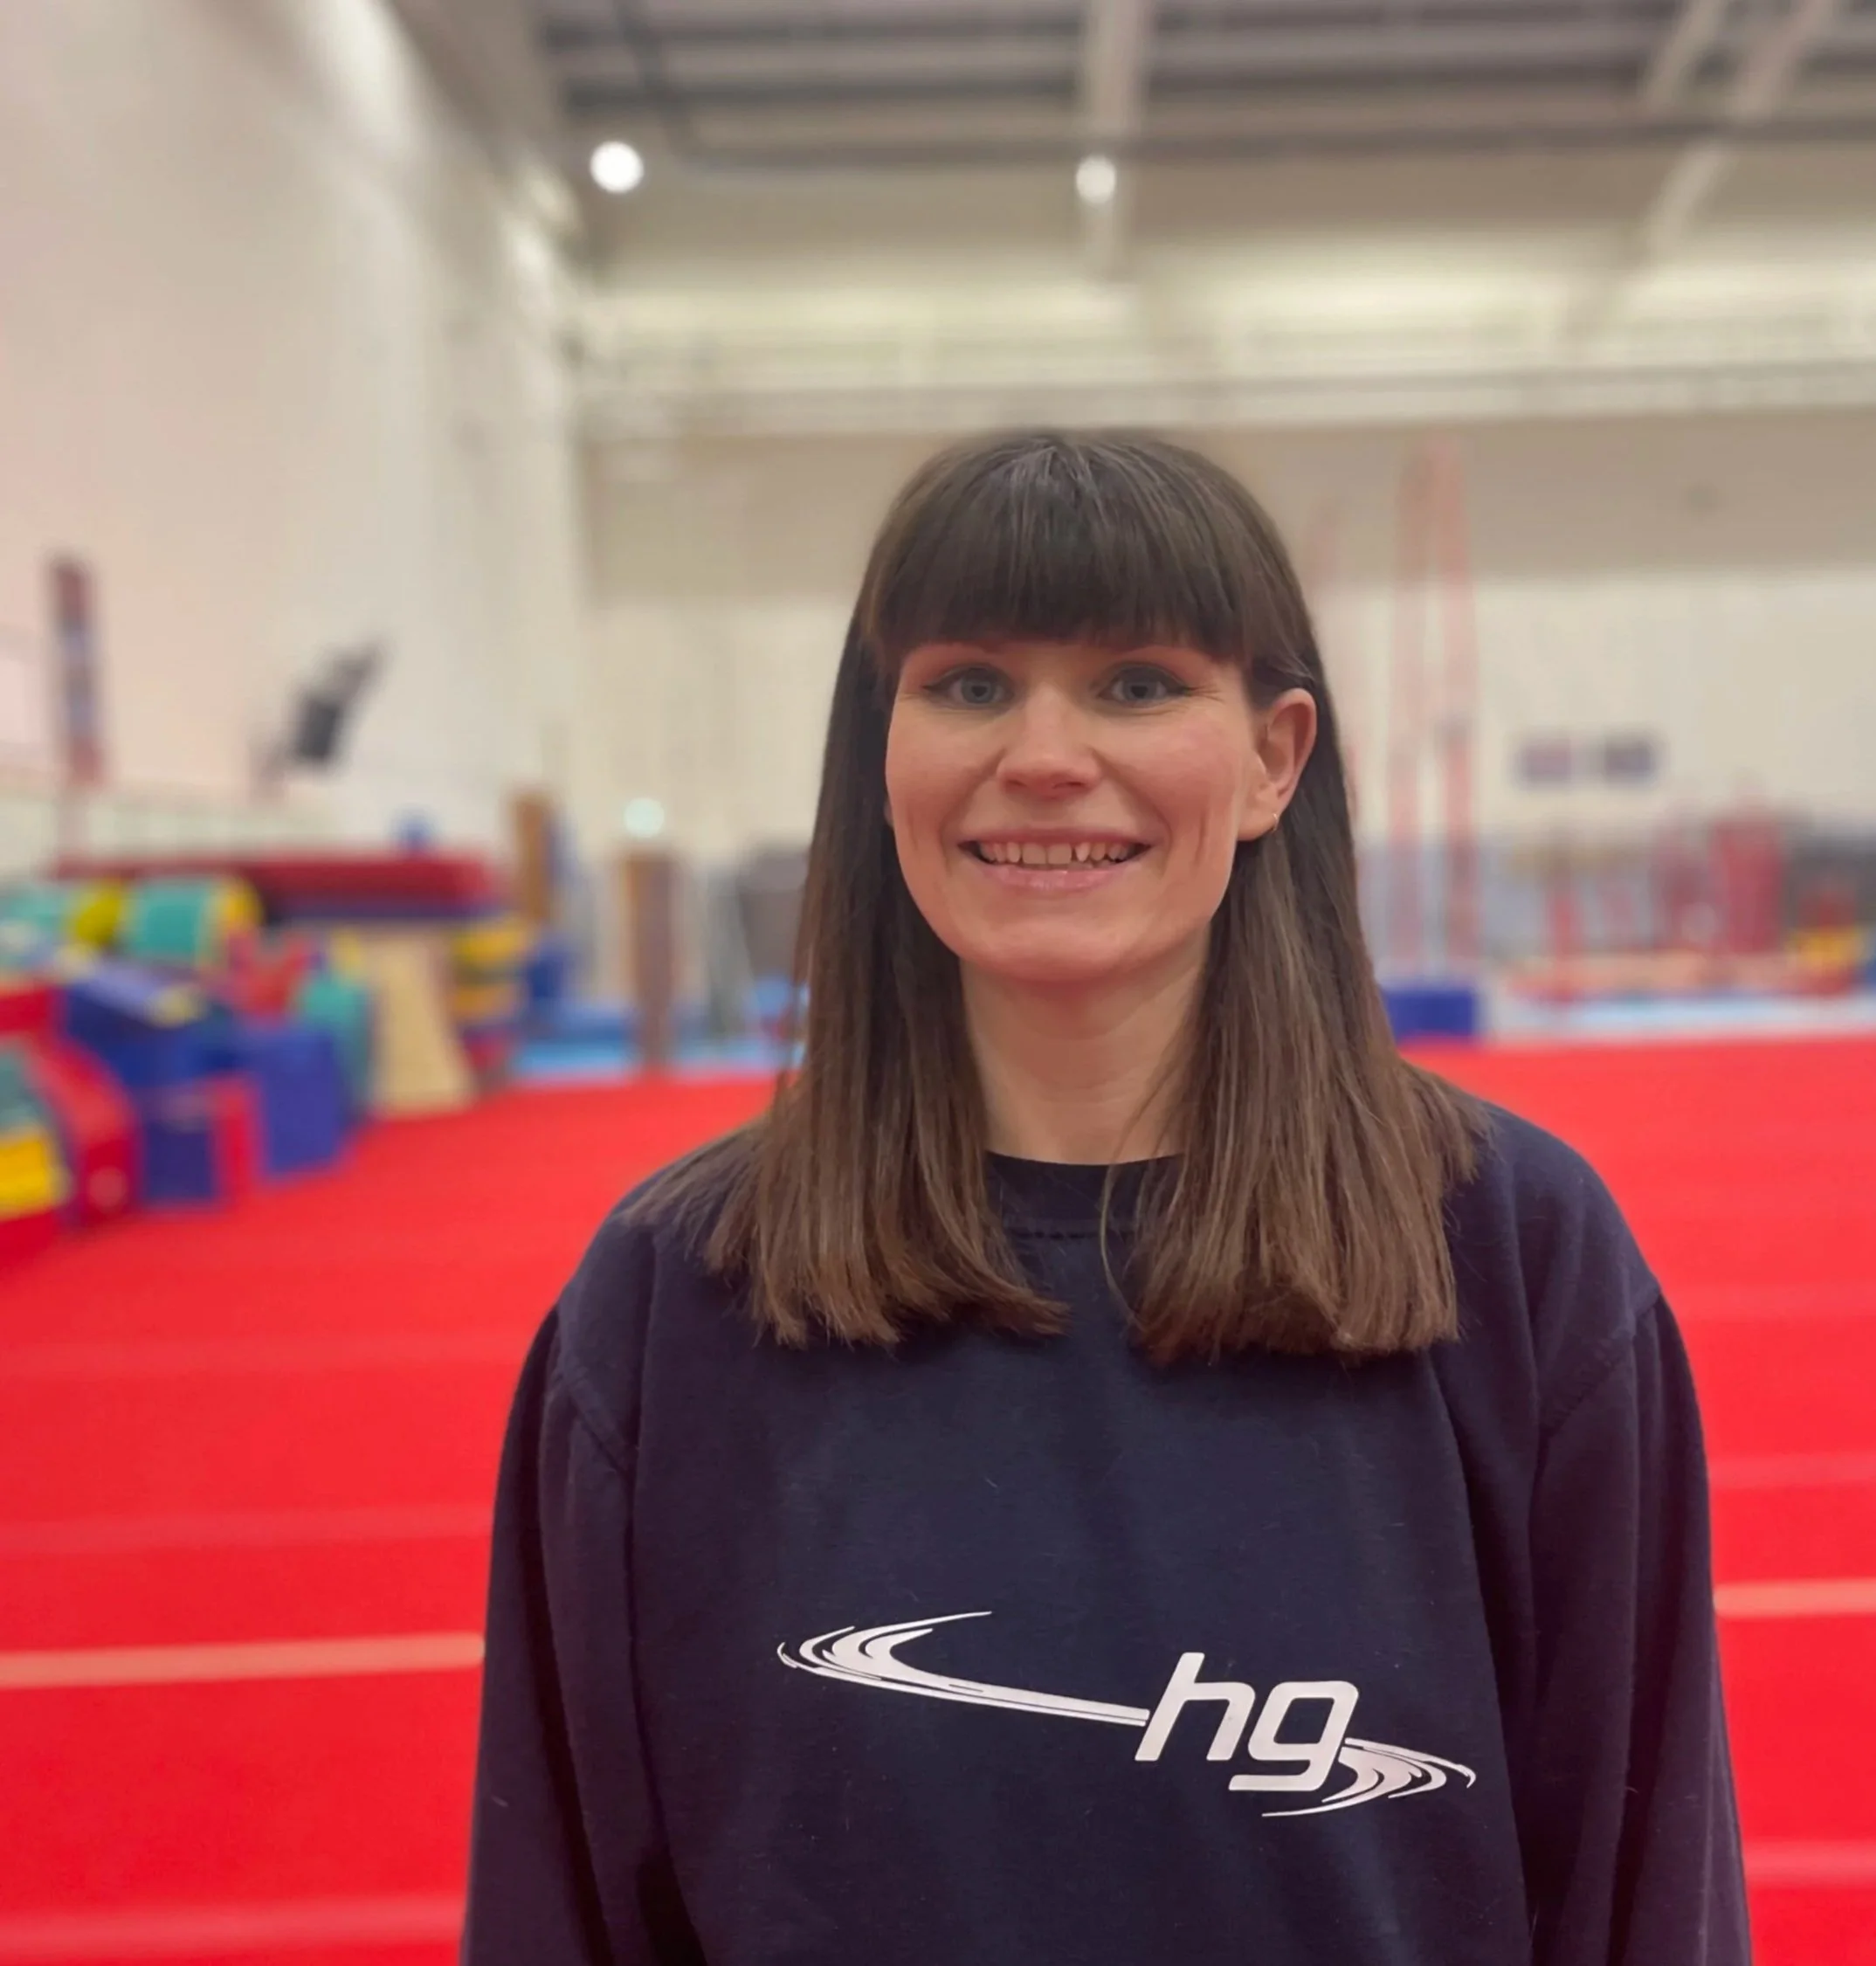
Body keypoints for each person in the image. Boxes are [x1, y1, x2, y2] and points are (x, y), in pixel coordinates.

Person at [463, 431, 1749, 1965]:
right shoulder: (674, 1297)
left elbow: (1634, 1892)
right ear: (882, 754)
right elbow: (567, 1904)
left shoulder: (1514, 1257)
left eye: (1136, 682)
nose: (1045, 753)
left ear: (1273, 757)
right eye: (970, 684)